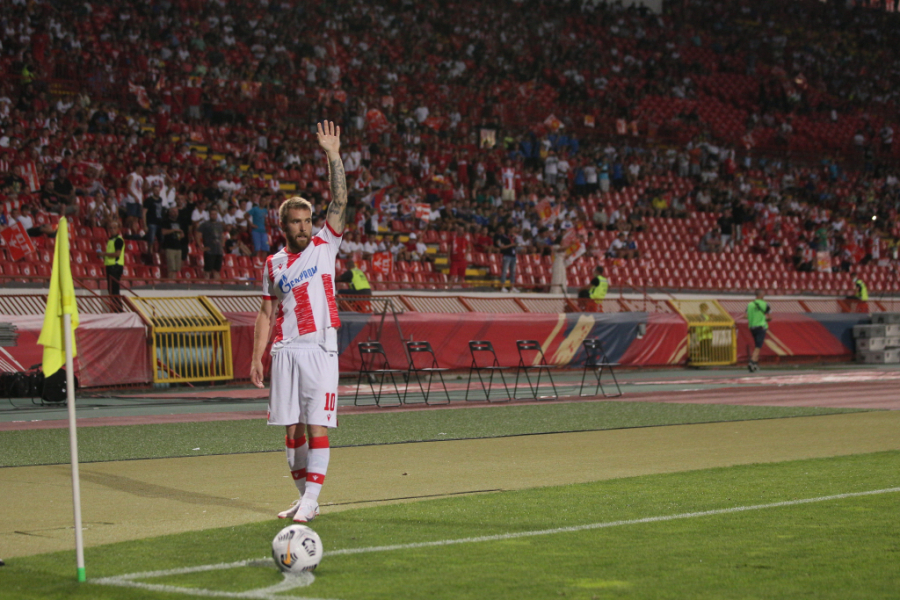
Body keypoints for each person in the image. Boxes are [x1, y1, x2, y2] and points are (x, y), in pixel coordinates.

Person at [250, 121, 348, 524]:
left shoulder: (326, 244)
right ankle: (306, 498)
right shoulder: (273, 263)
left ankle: (312, 498)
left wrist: (333, 154)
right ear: (284, 225)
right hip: (285, 351)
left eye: (308, 220)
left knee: (317, 424)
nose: (304, 226)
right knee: (291, 432)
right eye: (296, 221)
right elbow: (266, 312)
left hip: (321, 349)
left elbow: (340, 200)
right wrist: (256, 357)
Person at [98, 220, 125, 305]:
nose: (112, 229)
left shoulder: (118, 240)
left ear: (118, 229)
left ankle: (118, 309)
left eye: (114, 228)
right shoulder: (111, 240)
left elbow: (117, 254)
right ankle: (116, 308)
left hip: (115, 266)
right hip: (111, 266)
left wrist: (104, 254)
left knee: (114, 290)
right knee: (111, 290)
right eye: (111, 228)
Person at [196, 207, 225, 279]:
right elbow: (197, 235)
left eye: (215, 214)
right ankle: (206, 284)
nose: (214, 216)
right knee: (207, 271)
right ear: (209, 215)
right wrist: (201, 247)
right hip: (210, 251)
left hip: (218, 251)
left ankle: (217, 285)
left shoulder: (219, 225)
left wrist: (222, 245)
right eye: (212, 214)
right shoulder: (205, 224)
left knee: (217, 270)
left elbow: (222, 235)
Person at [747, 289, 771, 372]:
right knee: (758, 346)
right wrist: (764, 319)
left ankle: (755, 364)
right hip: (761, 327)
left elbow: (745, 315)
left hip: (752, 327)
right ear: (761, 295)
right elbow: (770, 317)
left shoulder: (749, 304)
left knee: (756, 345)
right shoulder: (765, 304)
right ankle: (752, 362)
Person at [160, 206, 184, 277]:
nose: (175, 213)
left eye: (176, 212)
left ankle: (174, 281)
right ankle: (170, 282)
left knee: (176, 269)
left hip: (178, 247)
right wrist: (174, 230)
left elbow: (181, 234)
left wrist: (181, 235)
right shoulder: (166, 221)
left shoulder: (179, 222)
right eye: (173, 212)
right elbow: (163, 232)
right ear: (169, 213)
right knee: (171, 269)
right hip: (169, 247)